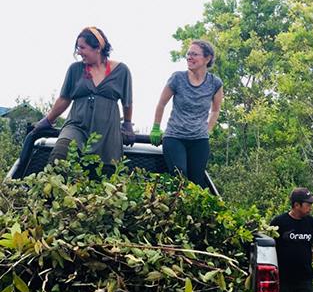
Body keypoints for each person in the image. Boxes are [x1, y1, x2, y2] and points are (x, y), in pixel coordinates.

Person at [34, 26, 134, 171]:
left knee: (102, 176)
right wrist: (48, 119)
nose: (79, 52)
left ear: (97, 48)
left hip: (106, 132)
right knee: (59, 158)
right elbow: (64, 98)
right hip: (76, 126)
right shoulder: (75, 69)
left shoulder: (121, 71)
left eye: (82, 47)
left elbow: (127, 102)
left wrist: (128, 124)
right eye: (78, 48)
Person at [149, 40, 224, 187]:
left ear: (207, 58)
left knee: (196, 184)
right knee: (180, 178)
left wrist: (207, 130)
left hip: (199, 141)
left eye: (194, 54)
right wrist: (156, 127)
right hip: (175, 137)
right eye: (188, 54)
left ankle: (190, 210)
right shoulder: (178, 78)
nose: (189, 57)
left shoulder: (215, 83)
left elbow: (215, 110)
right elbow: (161, 104)